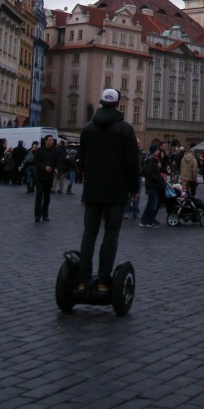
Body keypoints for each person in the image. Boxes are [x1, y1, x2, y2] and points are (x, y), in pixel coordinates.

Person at [77, 87, 140, 287]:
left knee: (89, 234)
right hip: (116, 190)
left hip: (92, 190)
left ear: (101, 102)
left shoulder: (87, 129)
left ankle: (83, 278)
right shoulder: (125, 129)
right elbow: (132, 162)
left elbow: (81, 160)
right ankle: (104, 279)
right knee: (111, 235)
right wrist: (135, 187)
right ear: (118, 103)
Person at [33, 134, 63, 222]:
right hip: (40, 176)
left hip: (49, 177)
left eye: (52, 140)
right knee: (39, 195)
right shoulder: (40, 151)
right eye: (50, 140)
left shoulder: (55, 152)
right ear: (45, 141)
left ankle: (45, 214)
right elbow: (35, 162)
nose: (51, 141)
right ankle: (37, 215)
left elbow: (59, 162)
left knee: (47, 196)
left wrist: (57, 169)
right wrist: (44, 167)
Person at [140, 145, 167, 228]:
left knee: (150, 204)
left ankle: (144, 221)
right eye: (157, 150)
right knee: (152, 204)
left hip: (152, 185)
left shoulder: (152, 160)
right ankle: (148, 221)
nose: (158, 152)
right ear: (154, 152)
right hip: (152, 185)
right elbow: (150, 173)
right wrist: (158, 179)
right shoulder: (151, 161)